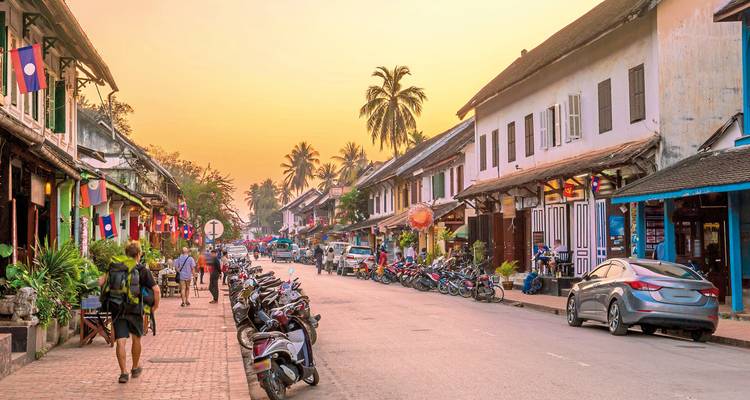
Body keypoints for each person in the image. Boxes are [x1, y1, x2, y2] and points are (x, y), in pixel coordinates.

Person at [100, 241, 160, 384]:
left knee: (121, 341)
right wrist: (154, 307)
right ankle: (134, 367)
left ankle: (123, 373)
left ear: (126, 254)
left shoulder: (115, 267)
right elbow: (156, 290)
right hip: (135, 310)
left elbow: (101, 282)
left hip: (117, 308)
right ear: (139, 254)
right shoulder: (142, 270)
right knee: (136, 339)